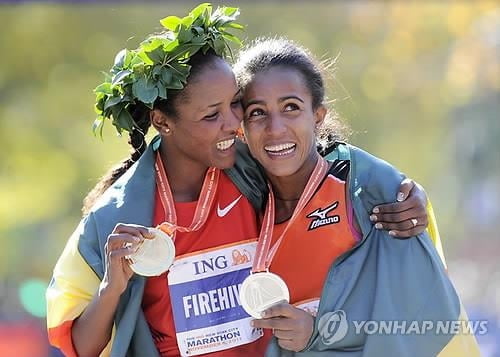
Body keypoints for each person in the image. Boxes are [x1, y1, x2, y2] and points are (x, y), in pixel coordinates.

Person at [46, 5, 431, 357]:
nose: (234, 123)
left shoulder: (250, 171)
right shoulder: (117, 216)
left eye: (235, 104)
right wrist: (112, 286)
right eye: (212, 115)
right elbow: (79, 346)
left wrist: (402, 191)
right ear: (162, 122)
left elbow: (317, 160)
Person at [233, 37, 480, 356]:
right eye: (257, 112)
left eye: (291, 107)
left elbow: (421, 324)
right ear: (241, 127)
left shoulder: (372, 197)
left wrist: (319, 333)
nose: (275, 128)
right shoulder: (235, 200)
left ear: (317, 116)